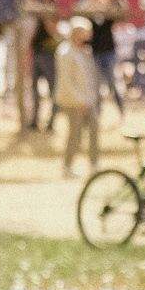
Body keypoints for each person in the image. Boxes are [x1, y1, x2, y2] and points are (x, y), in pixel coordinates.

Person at [56, 18, 101, 177]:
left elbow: (89, 77)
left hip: (88, 100)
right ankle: (67, 167)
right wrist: (79, 100)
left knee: (94, 130)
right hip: (73, 101)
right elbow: (66, 81)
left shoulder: (84, 51)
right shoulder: (65, 52)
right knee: (75, 135)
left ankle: (94, 165)